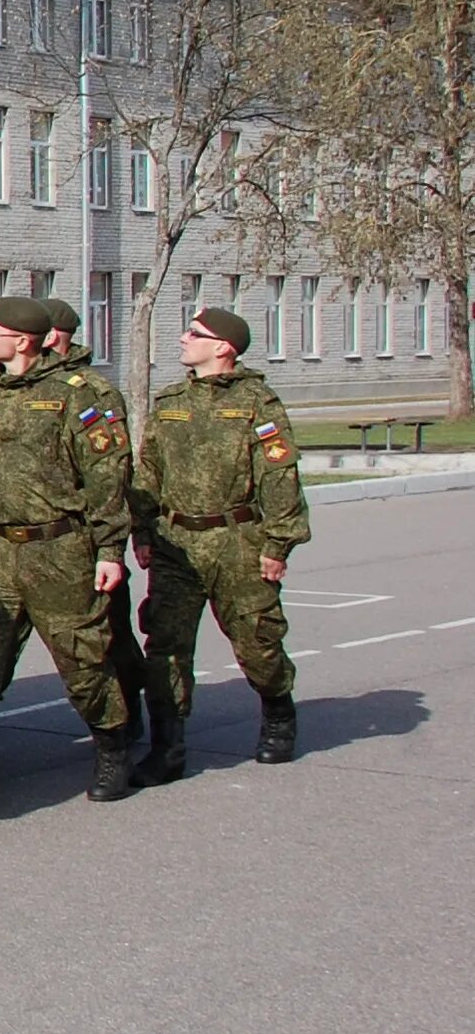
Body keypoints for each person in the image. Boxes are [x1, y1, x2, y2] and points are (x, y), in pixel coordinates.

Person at [0, 295, 137, 824]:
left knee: (82, 659)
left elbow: (107, 478)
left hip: (58, 547)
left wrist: (110, 549)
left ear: (22, 339)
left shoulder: (78, 396)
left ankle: (112, 746)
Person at [133, 307, 307, 768]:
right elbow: (148, 472)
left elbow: (279, 476)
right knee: (165, 647)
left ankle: (278, 711)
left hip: (238, 541)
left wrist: (278, 544)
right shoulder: (169, 402)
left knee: (257, 641)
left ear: (223, 347)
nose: (183, 338)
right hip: (176, 542)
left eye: (195, 333)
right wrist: (143, 529)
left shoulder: (257, 402)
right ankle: (166, 746)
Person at [44, 297, 152, 751]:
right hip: (25, 541)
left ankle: (127, 709)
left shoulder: (93, 391)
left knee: (108, 634)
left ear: (51, 336)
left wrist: (108, 542)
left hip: (83, 536)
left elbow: (109, 469)